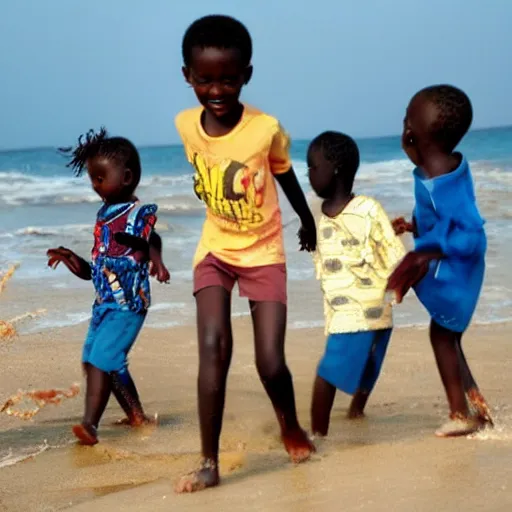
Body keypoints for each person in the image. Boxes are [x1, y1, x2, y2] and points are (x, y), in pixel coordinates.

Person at [174, 14, 316, 492]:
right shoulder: (184, 126)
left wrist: (309, 219)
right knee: (214, 348)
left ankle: (290, 426)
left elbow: (283, 173)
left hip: (263, 251)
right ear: (187, 76)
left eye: (229, 79)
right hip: (214, 249)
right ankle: (209, 462)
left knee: (269, 361)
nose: (217, 89)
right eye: (206, 79)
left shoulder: (264, 128)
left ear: (246, 74)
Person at [47, 128, 170, 445]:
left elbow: (149, 239)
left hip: (128, 305)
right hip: (104, 305)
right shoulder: (103, 216)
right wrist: (70, 258)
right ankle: (137, 417)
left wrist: (155, 258)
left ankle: (90, 426)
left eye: (101, 178)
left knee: (104, 358)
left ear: (126, 176)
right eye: (93, 178)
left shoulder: (137, 213)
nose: (95, 185)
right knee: (95, 360)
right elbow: (94, 271)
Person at [387, 84, 493, 437]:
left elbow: (469, 230)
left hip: (458, 271)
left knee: (443, 337)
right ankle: (477, 407)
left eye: (408, 117)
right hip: (458, 267)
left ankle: (461, 415)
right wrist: (415, 225)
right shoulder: (440, 166)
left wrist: (427, 250)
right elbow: (442, 218)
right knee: (448, 337)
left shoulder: (441, 178)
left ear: (418, 131)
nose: (403, 123)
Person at [307, 131, 405, 436]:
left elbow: (392, 253)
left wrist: (403, 285)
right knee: (352, 366)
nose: (308, 174)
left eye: (313, 167)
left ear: (334, 167)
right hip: (341, 310)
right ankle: (350, 417)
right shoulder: (318, 215)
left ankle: (319, 434)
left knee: (336, 371)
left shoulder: (368, 208)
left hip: (369, 307)